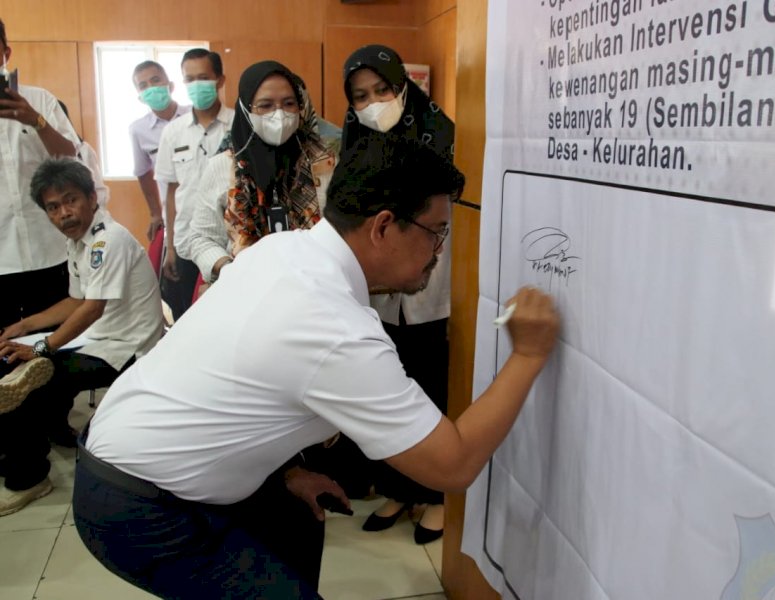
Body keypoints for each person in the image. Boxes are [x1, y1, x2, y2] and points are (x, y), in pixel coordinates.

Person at [71, 134, 559, 599]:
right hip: (139, 506)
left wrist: (283, 473)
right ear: (384, 226)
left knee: (297, 522)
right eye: (437, 232)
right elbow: (451, 465)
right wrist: (529, 354)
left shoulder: (283, 249)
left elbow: (234, 377)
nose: (440, 251)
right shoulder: (335, 326)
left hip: (124, 450)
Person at [0, 157, 163, 516]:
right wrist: (27, 326)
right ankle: (55, 431)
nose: (63, 213)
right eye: (52, 207)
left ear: (92, 198)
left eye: (70, 200)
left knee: (29, 385)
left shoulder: (109, 239)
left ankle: (29, 478)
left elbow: (92, 308)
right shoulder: (79, 242)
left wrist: (42, 345)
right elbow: (76, 299)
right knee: (14, 360)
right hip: (101, 338)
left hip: (127, 347)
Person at [340, 43, 456, 542]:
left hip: (433, 290)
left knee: (431, 388)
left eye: (382, 90)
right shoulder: (354, 151)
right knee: (386, 388)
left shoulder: (444, 138)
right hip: (378, 293)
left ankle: (437, 497)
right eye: (360, 96)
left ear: (403, 87)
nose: (372, 103)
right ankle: (398, 488)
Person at [0, 18, 80, 331]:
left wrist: (37, 122)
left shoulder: (41, 100)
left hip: (51, 249)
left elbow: (71, 157)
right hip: (2, 256)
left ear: (6, 52)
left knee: (54, 347)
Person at [223, 60, 339, 256]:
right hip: (249, 280)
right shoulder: (223, 166)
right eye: (265, 105)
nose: (279, 113)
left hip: (318, 277)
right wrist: (224, 267)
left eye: (289, 103)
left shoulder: (326, 160)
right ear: (245, 109)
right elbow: (201, 236)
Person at [154, 48, 233, 320]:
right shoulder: (173, 132)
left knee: (227, 316)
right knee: (189, 318)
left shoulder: (239, 126)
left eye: (203, 77)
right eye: (190, 79)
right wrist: (171, 248)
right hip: (187, 243)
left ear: (220, 80)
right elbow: (172, 191)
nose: (196, 85)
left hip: (231, 244)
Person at [129, 60, 190, 244]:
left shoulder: (194, 115)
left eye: (155, 80)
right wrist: (155, 213)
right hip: (174, 219)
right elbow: (143, 173)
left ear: (170, 86)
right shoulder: (138, 129)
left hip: (206, 209)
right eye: (143, 85)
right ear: (140, 96)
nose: (151, 87)